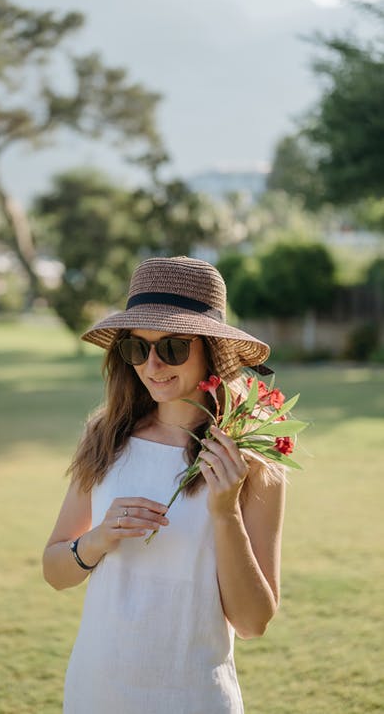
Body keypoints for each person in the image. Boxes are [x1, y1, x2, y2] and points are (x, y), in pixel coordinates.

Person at [42, 256, 286, 714]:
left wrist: (225, 511)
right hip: (97, 691)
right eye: (137, 348)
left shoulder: (250, 460)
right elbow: (55, 572)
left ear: (211, 349)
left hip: (195, 698)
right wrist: (97, 540)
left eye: (173, 347)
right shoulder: (105, 438)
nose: (152, 365)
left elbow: (253, 622)